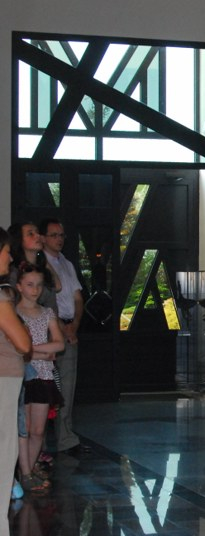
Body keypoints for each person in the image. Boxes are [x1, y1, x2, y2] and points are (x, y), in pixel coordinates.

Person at [15, 263, 65, 491]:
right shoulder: (13, 313)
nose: (35, 290)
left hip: (43, 375)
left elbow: (59, 344)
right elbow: (16, 348)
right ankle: (25, 472)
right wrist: (42, 352)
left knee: (37, 430)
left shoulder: (47, 313)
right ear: (19, 286)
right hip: (23, 375)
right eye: (29, 285)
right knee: (23, 428)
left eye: (38, 285)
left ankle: (29, 467)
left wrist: (31, 350)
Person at [39, 218, 86, 455]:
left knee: (67, 386)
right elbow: (46, 302)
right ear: (43, 238)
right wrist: (61, 328)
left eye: (61, 235)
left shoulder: (66, 264)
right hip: (49, 330)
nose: (59, 239)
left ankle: (66, 438)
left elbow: (78, 298)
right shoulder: (40, 264)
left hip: (69, 329)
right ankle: (40, 443)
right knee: (43, 387)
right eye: (54, 235)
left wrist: (74, 325)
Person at [1, 226, 33, 536]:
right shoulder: (0, 298)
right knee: (4, 452)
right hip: (3, 380)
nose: (10, 258)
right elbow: (23, 343)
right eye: (6, 251)